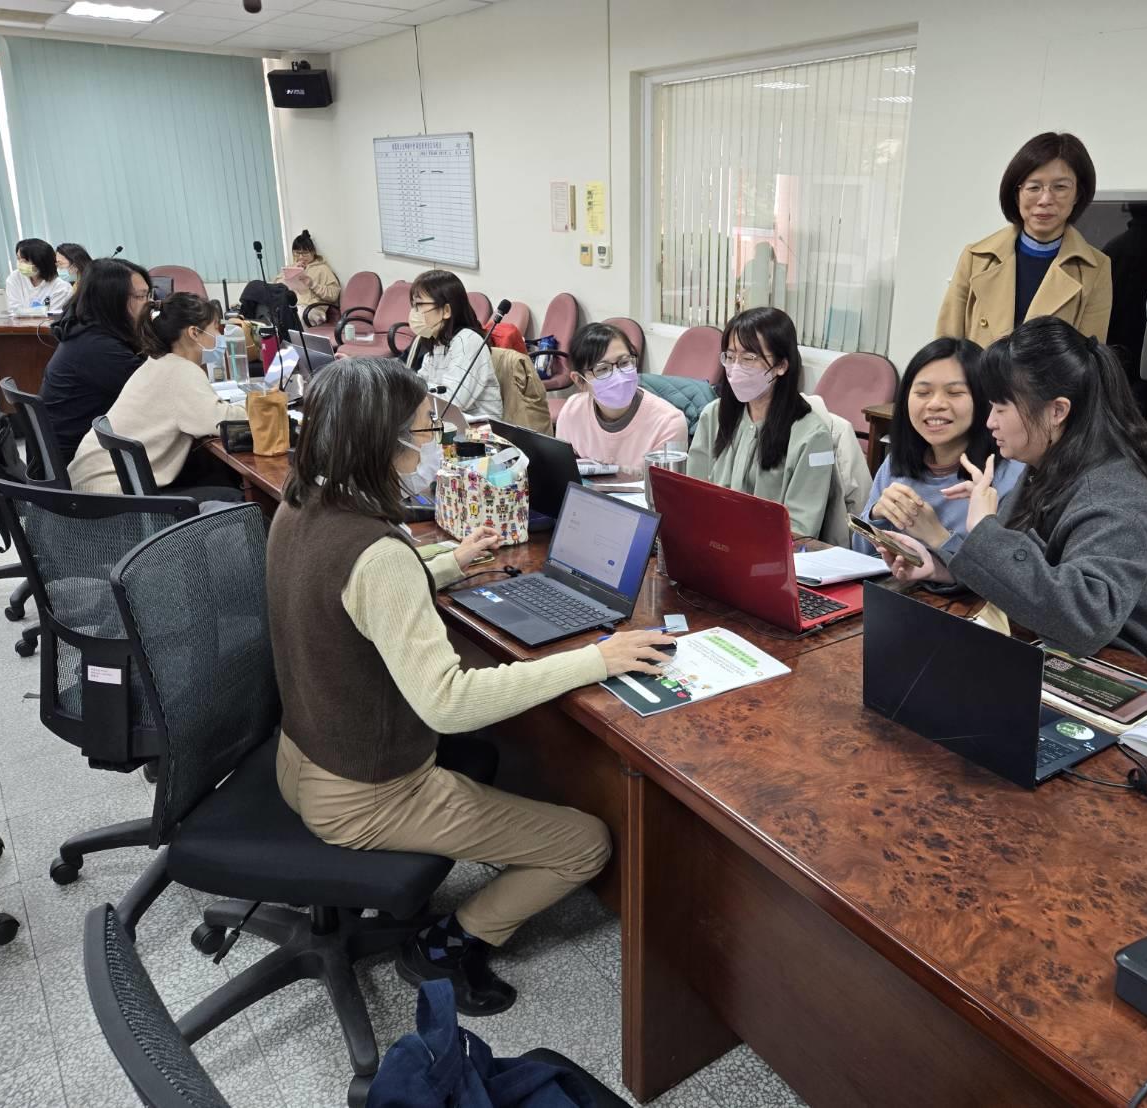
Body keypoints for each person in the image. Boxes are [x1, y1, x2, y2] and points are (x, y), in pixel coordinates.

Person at [268, 356, 672, 1015]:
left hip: (300, 758)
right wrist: (598, 659)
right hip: (363, 795)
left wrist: (448, 563)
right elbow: (449, 703)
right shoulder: (375, 553)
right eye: (423, 428)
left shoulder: (300, 506)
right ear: (385, 442)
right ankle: (445, 945)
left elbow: (350, 597)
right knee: (585, 844)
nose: (431, 441)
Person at [877, 317, 1147, 673]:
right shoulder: (1047, 465)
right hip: (1059, 654)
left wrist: (984, 529)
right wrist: (942, 565)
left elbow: (1083, 621)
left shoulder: (1116, 496)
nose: (990, 422)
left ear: (1057, 411)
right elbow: (1019, 576)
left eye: (1001, 408)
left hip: (1137, 673)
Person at [853, 337, 1024, 555]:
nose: (935, 404)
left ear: (983, 399)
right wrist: (877, 515)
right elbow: (859, 555)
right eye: (923, 393)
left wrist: (938, 537)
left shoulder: (1009, 477)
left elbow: (1004, 570)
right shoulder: (897, 462)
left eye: (954, 393)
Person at [67, 293, 245, 501]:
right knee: (235, 498)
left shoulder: (159, 363)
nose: (219, 335)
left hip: (92, 488)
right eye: (215, 328)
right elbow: (222, 421)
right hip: (115, 496)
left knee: (213, 476)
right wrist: (259, 404)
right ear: (194, 333)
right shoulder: (181, 372)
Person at [936, 133, 1111, 344]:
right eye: (1034, 187)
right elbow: (946, 348)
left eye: (1060, 187)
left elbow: (1089, 357)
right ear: (1016, 193)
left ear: (1078, 195)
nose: (1045, 199)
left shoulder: (1096, 269)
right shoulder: (975, 258)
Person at [685, 307, 835, 538]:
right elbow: (692, 495)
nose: (735, 368)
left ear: (781, 365)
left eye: (748, 358)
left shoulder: (813, 437)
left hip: (770, 551)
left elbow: (800, 530)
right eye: (730, 357)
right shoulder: (713, 414)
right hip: (711, 541)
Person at [40, 258, 152, 461]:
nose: (148, 305)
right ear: (111, 301)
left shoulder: (86, 332)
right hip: (82, 463)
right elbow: (159, 395)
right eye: (141, 297)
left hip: (82, 451)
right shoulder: (99, 349)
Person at [554, 322, 687, 474]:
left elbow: (664, 486)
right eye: (603, 369)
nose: (618, 375)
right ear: (579, 380)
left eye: (624, 363)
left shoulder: (668, 423)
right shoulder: (572, 412)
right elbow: (562, 474)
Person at [405, 269, 502, 421]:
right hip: (447, 423)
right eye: (413, 305)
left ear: (446, 310)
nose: (414, 312)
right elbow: (419, 384)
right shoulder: (437, 341)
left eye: (420, 305)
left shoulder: (468, 341)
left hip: (479, 430)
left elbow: (452, 402)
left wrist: (417, 390)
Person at [279, 229, 341, 323]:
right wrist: (290, 274)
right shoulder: (291, 267)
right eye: (297, 253)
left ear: (313, 252)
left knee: (294, 315)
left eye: (305, 253)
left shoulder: (322, 269)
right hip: (293, 305)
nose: (300, 257)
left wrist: (313, 284)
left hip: (312, 310)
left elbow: (334, 295)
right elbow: (276, 287)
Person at [5, 238, 72, 314]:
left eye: (25, 261)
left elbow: (50, 316)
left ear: (41, 262)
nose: (20, 264)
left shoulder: (62, 288)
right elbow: (14, 310)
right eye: (18, 258)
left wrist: (24, 312)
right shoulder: (15, 278)